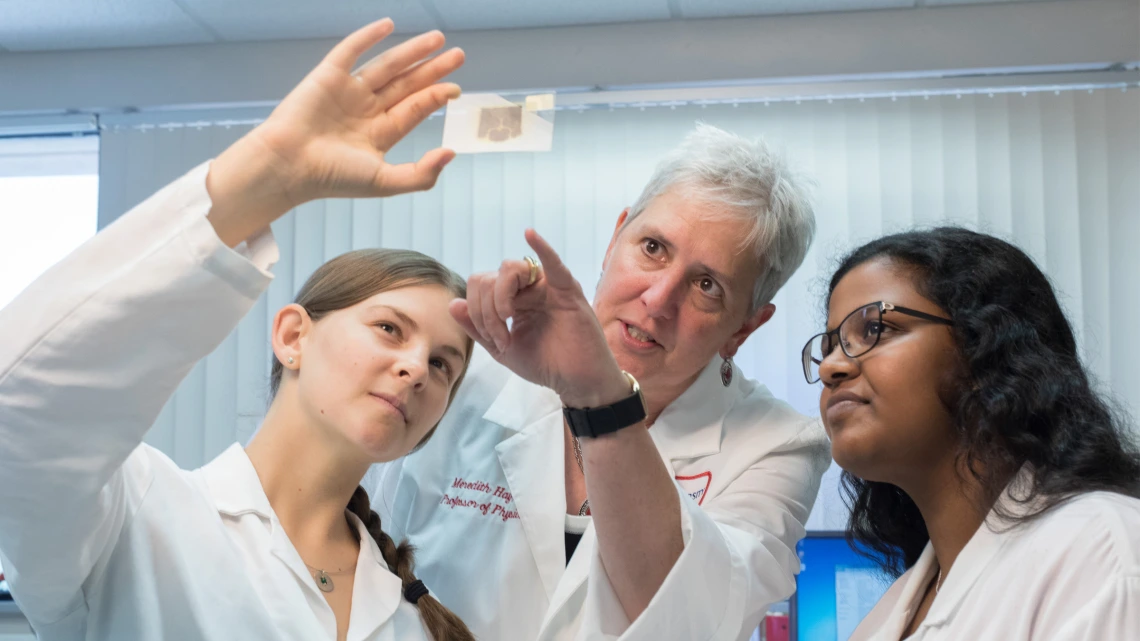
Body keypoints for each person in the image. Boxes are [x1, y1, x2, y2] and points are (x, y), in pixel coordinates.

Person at [0, 19, 481, 641]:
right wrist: (265, 178)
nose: (417, 367)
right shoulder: (134, 518)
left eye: (444, 364)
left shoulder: (415, 616)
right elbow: (21, 407)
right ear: (292, 337)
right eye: (390, 328)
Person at [368, 125, 832, 640]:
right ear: (615, 240)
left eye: (707, 285)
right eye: (652, 247)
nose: (658, 298)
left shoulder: (777, 446)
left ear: (745, 326)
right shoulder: (466, 372)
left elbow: (685, 621)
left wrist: (598, 397)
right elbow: (362, 557)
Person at [802, 227, 1140, 640]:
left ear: (986, 346)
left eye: (874, 329)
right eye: (830, 346)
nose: (829, 367)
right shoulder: (892, 611)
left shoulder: (1100, 550)